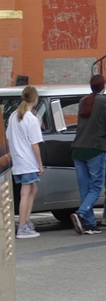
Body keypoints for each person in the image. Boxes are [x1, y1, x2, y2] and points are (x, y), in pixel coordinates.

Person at [69, 74, 106, 235]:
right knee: (96, 186)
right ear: (103, 86)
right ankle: (81, 213)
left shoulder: (83, 101)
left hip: (77, 148)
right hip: (95, 148)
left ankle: (89, 224)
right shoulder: (103, 102)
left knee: (85, 188)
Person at [6, 85, 43, 238]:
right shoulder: (31, 119)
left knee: (32, 190)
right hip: (28, 161)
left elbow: (8, 137)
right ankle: (22, 226)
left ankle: (26, 221)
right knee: (26, 193)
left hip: (18, 160)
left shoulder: (13, 116)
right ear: (35, 99)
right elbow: (35, 144)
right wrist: (40, 163)